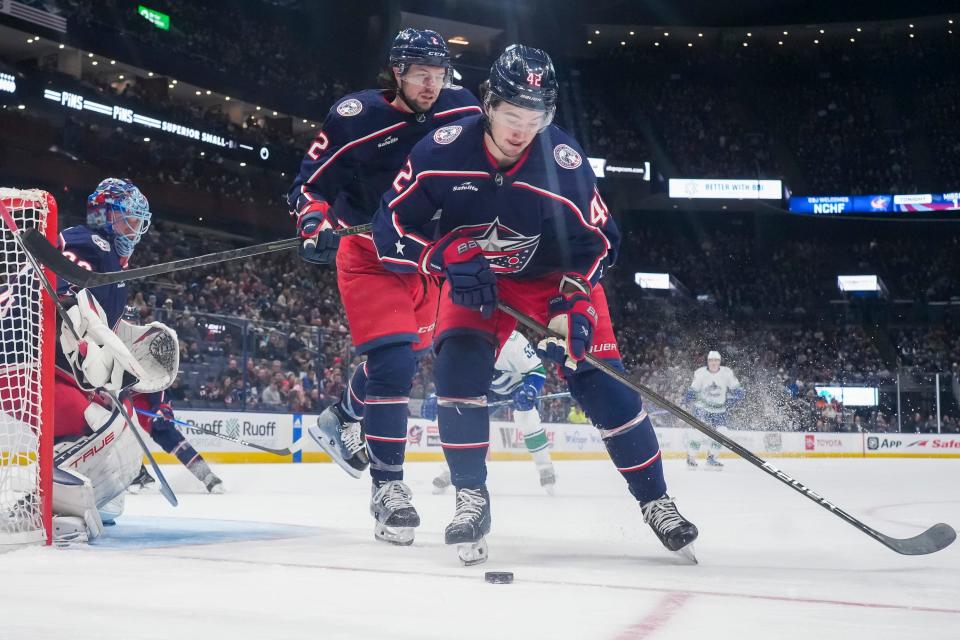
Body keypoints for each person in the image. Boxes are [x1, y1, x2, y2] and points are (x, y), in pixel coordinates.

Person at [371, 45, 698, 565]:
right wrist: (440, 253)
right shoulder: (439, 151)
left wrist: (573, 302)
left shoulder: (564, 165)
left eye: (535, 118)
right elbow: (389, 227)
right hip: (474, 277)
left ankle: (657, 501)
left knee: (603, 385)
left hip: (549, 282)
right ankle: (471, 498)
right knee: (456, 370)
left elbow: (600, 243)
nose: (521, 130)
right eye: (511, 115)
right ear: (489, 103)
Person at [287, 28, 481, 545]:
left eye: (439, 74)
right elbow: (309, 185)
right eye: (421, 74)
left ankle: (341, 416)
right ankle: (388, 490)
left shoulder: (463, 109)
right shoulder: (356, 117)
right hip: (370, 254)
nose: (432, 84)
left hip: (428, 260)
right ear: (396, 72)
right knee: (394, 367)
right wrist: (313, 223)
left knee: (398, 364)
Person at [49, 178, 185, 543]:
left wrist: (126, 343)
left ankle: (95, 497)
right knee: (103, 424)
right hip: (39, 373)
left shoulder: (112, 264)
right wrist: (67, 295)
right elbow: (67, 292)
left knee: (118, 428)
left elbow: (96, 320)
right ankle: (52, 504)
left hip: (54, 374)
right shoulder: (89, 241)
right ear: (104, 217)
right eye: (127, 221)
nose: (134, 231)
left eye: (138, 223)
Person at [423, 330, 556, 495]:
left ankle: (545, 468)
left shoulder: (513, 342)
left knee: (527, 418)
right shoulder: (463, 340)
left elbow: (536, 370)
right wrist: (438, 394)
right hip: (487, 388)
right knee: (465, 419)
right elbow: (453, 375)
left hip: (518, 386)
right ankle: (453, 469)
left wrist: (529, 389)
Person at [682, 351, 744, 470]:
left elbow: (738, 389)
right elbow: (693, 390)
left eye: (716, 360)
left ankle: (711, 458)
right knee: (699, 432)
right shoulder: (700, 374)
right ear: (708, 361)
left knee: (722, 432)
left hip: (719, 411)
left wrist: (736, 396)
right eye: (711, 360)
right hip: (702, 408)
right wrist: (686, 400)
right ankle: (691, 457)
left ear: (719, 362)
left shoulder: (726, 373)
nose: (713, 363)